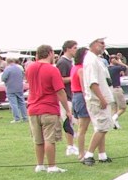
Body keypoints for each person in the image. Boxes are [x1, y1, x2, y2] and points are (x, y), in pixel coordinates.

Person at [25, 44, 71, 173]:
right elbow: (60, 91)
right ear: (50, 53)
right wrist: (67, 110)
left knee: (38, 139)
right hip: (48, 108)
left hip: (33, 108)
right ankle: (52, 166)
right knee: (49, 139)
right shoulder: (52, 69)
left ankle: (40, 165)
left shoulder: (29, 68)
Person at [81, 37, 114, 165]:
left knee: (102, 127)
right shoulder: (90, 60)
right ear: (93, 44)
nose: (104, 46)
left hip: (102, 97)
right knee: (102, 127)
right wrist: (102, 98)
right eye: (101, 43)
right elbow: (92, 83)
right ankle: (88, 155)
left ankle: (102, 155)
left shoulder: (96, 59)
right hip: (97, 100)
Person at [55, 40, 79, 156]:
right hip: (66, 95)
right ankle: (70, 146)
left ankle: (72, 144)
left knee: (72, 121)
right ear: (68, 49)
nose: (76, 50)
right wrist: (74, 77)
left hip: (71, 94)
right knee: (68, 121)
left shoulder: (70, 62)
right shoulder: (63, 62)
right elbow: (60, 79)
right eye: (74, 48)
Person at [70, 46, 91, 160]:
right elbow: (84, 88)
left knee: (81, 127)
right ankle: (81, 153)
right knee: (82, 128)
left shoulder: (74, 67)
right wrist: (88, 100)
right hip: (81, 97)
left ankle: (82, 152)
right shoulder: (81, 69)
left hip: (75, 97)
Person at [1, 53, 28, 122]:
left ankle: (17, 118)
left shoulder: (7, 69)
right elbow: (23, 76)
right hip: (19, 87)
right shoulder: (19, 68)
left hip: (10, 88)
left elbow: (3, 78)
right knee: (22, 103)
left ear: (7, 62)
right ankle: (25, 117)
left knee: (14, 104)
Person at [108, 53, 127, 128]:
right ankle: (113, 119)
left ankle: (115, 125)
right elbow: (125, 67)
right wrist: (118, 62)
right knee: (123, 107)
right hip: (116, 89)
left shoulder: (107, 68)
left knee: (113, 108)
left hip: (110, 89)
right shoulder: (116, 68)